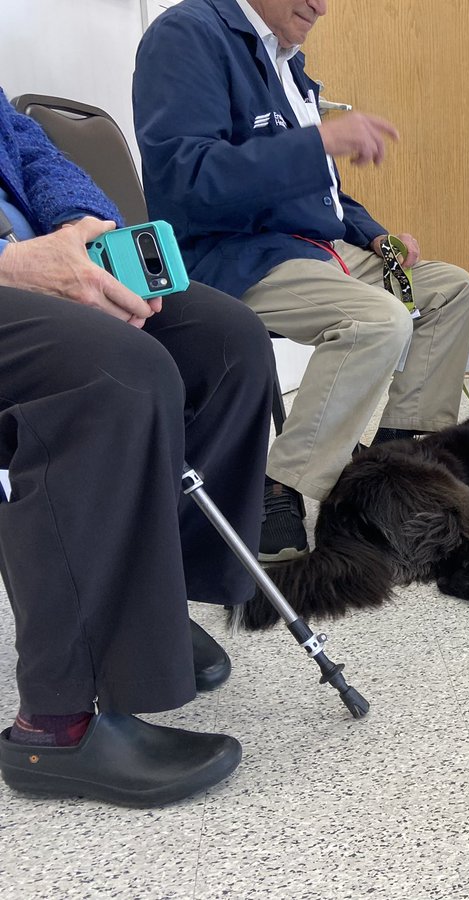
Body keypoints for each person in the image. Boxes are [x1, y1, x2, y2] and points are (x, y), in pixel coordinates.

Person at [0, 87, 275, 805]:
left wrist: (79, 235)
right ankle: (55, 729)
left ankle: (149, 609)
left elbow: (28, 150)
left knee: (228, 342)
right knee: (114, 369)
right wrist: (10, 262)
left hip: (35, 266)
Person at [132, 0, 469, 563]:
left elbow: (326, 187)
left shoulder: (286, 61)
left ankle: (393, 466)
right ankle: (280, 488)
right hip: (234, 254)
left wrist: (373, 234)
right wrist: (315, 141)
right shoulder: (187, 35)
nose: (321, 5)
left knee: (450, 289)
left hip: (314, 247)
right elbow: (187, 178)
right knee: (374, 320)